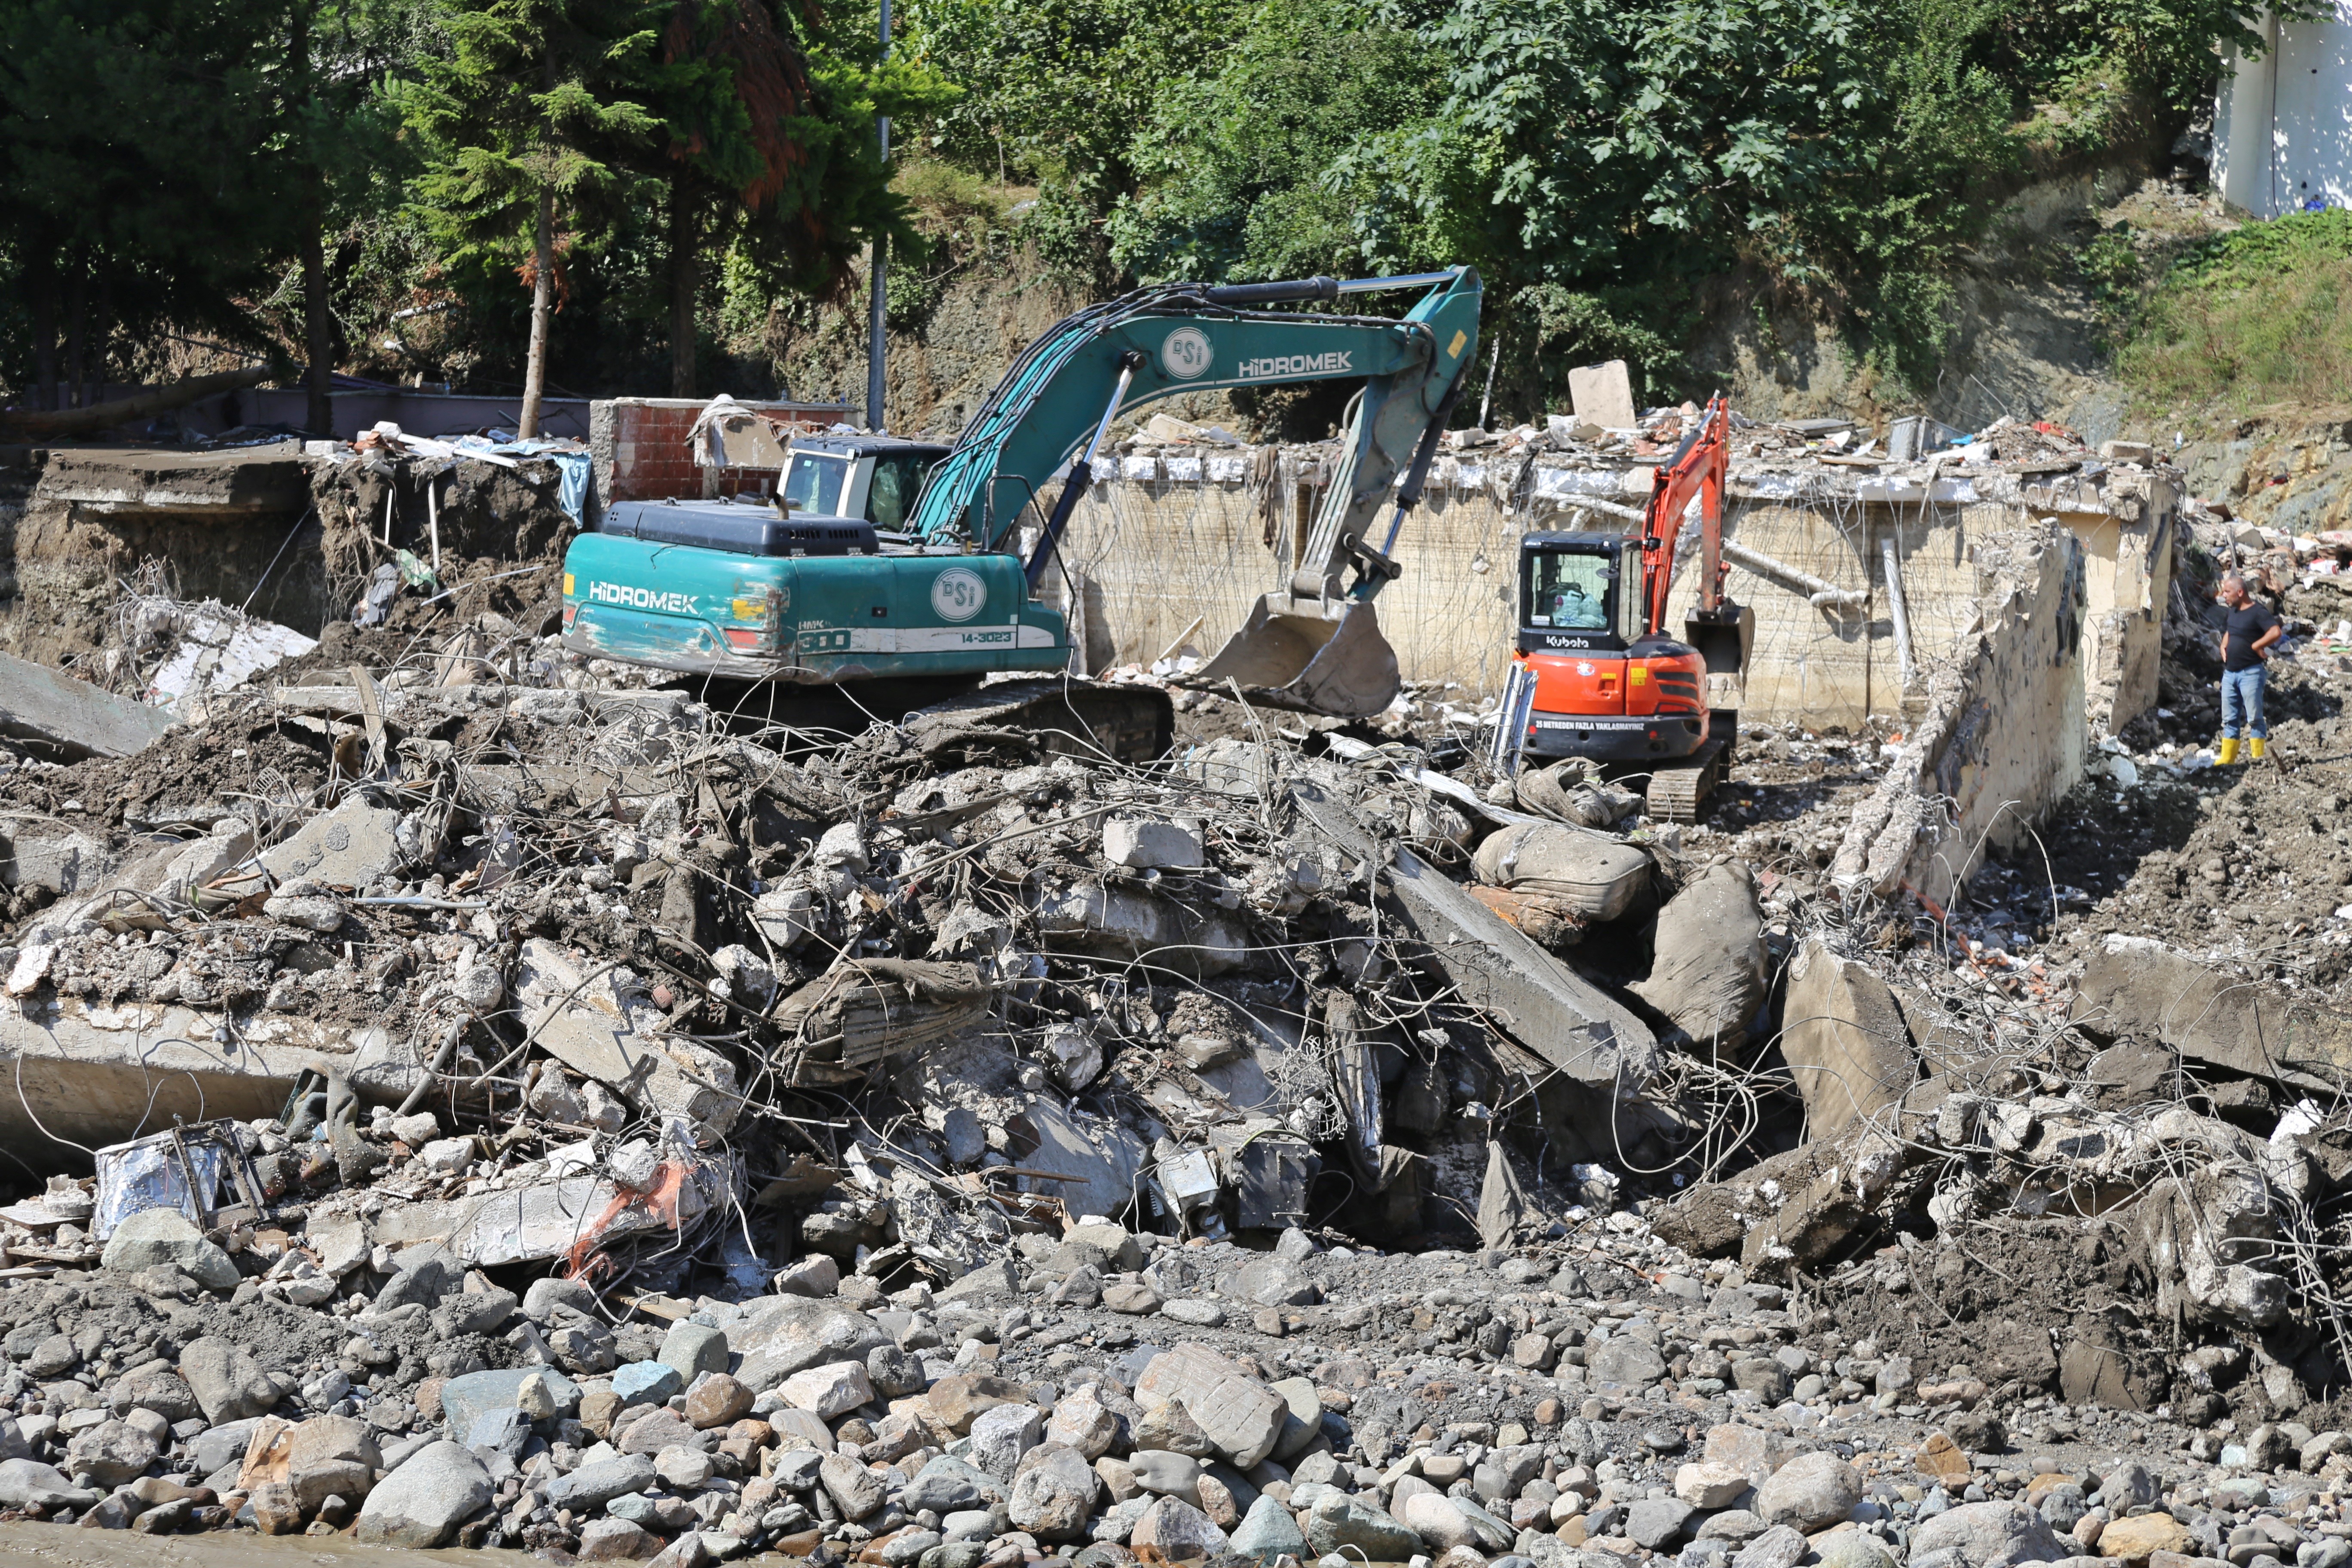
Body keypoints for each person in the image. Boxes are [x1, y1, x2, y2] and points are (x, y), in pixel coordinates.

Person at [2216, 573, 2283, 763]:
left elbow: (2275, 631)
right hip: (2230, 674)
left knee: (2254, 718)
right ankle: (2227, 760)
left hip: (2251, 673)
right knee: (2229, 718)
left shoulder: (2258, 612)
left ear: (2240, 592)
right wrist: (2223, 644)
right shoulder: (2233, 611)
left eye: (2227, 592)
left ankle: (2257, 759)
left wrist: (2257, 646)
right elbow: (2231, 630)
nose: (2223, 595)